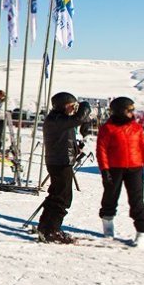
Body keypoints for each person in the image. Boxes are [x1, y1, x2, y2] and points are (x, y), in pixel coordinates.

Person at [97, 97, 144, 247]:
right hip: (114, 169)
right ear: (120, 111)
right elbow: (101, 150)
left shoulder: (136, 128)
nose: (132, 113)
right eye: (129, 110)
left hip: (135, 168)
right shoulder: (107, 128)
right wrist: (105, 170)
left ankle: (143, 232)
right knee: (110, 198)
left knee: (137, 201)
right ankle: (108, 226)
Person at [37, 92, 92, 243]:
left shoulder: (59, 119)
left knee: (56, 195)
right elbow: (78, 118)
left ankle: (45, 227)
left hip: (60, 161)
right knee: (63, 198)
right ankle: (52, 230)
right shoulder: (56, 119)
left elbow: (69, 132)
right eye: (72, 106)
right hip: (60, 162)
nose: (74, 109)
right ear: (63, 105)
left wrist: (75, 148)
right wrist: (85, 105)